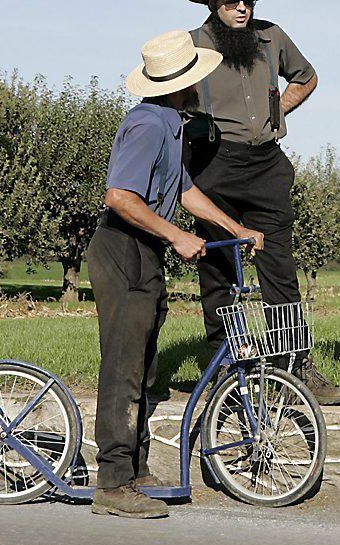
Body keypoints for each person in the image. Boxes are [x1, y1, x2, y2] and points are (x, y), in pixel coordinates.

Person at [88, 30, 264, 518]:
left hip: (143, 252)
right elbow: (119, 197)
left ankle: (137, 467)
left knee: (145, 365)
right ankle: (113, 482)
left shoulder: (171, 123)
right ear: (179, 83)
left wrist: (236, 227)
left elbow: (185, 191)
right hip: (122, 249)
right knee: (124, 365)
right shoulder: (147, 124)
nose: (199, 86)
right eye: (194, 79)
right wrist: (177, 237)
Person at [184, 0, 340, 405]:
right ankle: (223, 362)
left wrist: (280, 111)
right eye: (232, 0)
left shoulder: (271, 36)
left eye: (248, 0)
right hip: (214, 162)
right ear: (214, 2)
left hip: (266, 165)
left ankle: (296, 367)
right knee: (218, 267)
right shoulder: (192, 44)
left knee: (280, 268)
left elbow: (307, 77)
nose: (242, 8)